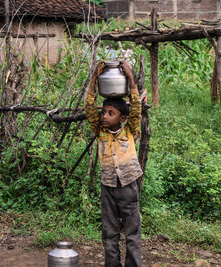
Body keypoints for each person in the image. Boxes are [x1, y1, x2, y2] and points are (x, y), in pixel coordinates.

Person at [85, 60, 143, 267]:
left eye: (111, 113)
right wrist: (94, 80)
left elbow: (136, 109)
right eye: (104, 112)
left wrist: (130, 80)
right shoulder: (100, 132)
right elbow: (88, 107)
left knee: (132, 233)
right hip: (107, 187)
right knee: (109, 233)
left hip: (128, 186)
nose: (104, 116)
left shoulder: (130, 131)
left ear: (122, 118)